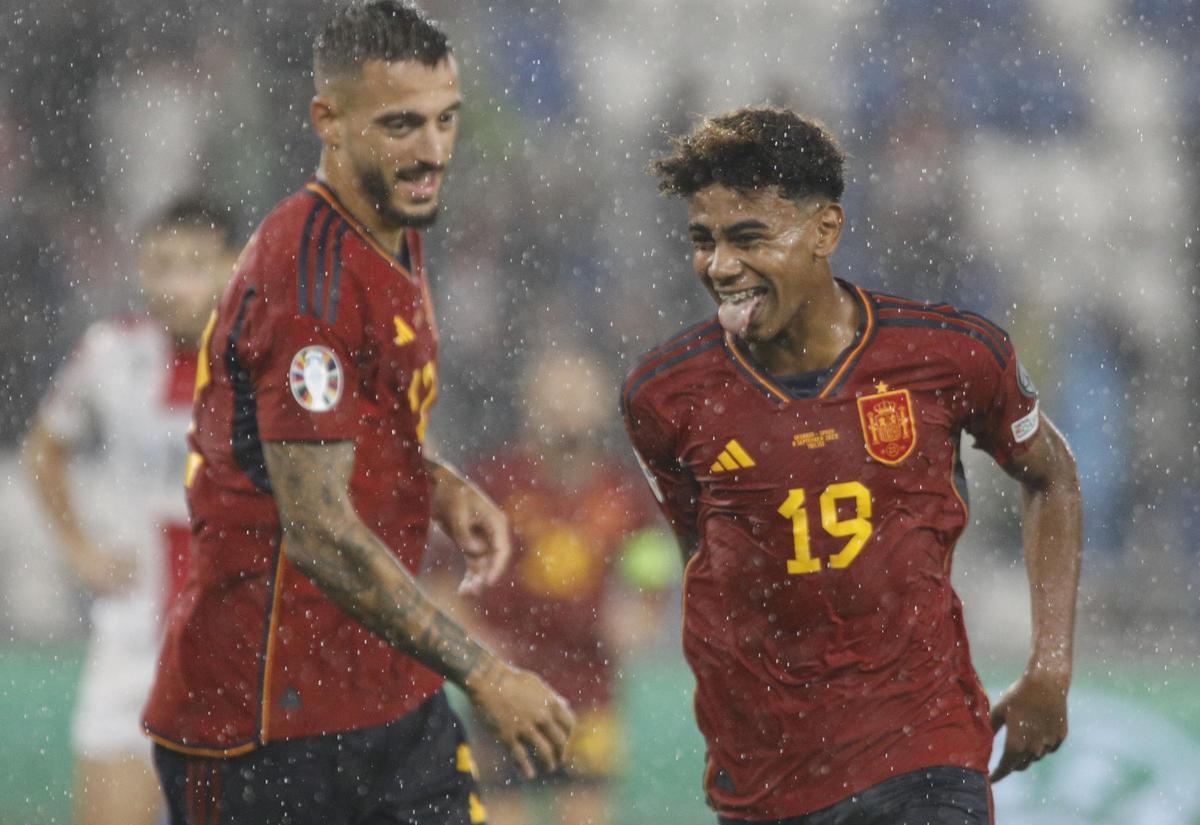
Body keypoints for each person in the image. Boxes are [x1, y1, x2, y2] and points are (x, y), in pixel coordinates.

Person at [142, 4, 574, 824]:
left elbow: (368, 414)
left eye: (447, 119)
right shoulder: (308, 284)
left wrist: (437, 481)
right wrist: (485, 671)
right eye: (403, 124)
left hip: (381, 691)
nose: (434, 151)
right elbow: (319, 530)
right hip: (262, 724)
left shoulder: (392, 219)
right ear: (328, 121)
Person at [621, 107, 1083, 825]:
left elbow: (1051, 475)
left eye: (749, 238)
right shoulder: (665, 396)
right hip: (765, 775)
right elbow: (703, 555)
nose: (721, 266)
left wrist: (1050, 667)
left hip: (921, 750)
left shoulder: (947, 354)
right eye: (703, 241)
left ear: (825, 231)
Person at [23, 196, 239, 825]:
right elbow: (43, 451)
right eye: (160, 265)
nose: (174, 284)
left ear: (233, 266)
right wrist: (78, 549)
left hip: (237, 646)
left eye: (193, 265)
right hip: (133, 640)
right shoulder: (111, 354)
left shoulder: (267, 362)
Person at [428, 348, 675, 825]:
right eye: (554, 395)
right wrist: (475, 646)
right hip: (504, 689)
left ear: (602, 405)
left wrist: (640, 619)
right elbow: (441, 581)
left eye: (578, 395)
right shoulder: (494, 481)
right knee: (501, 813)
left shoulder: (624, 495)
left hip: (588, 688)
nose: (566, 408)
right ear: (529, 403)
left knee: (585, 811)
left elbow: (653, 576)